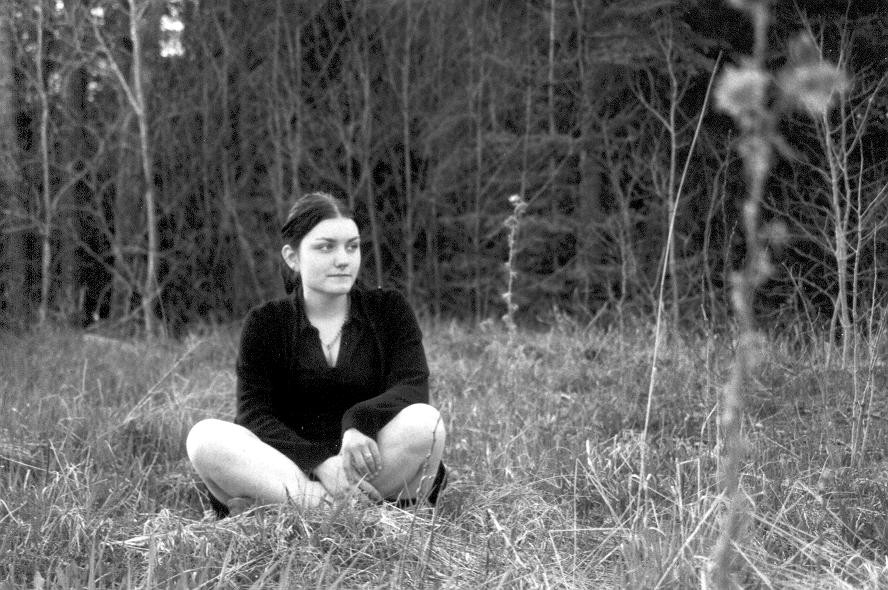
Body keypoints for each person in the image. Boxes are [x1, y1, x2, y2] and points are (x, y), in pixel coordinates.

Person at [186, 192, 447, 517]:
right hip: (289, 469)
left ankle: (290, 509)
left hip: (372, 465)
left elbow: (412, 387)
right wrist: (319, 462)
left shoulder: (389, 309)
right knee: (204, 439)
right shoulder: (265, 322)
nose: (343, 259)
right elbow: (253, 415)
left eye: (352, 246)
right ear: (292, 257)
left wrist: (358, 425)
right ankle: (347, 511)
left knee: (426, 422)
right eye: (326, 247)